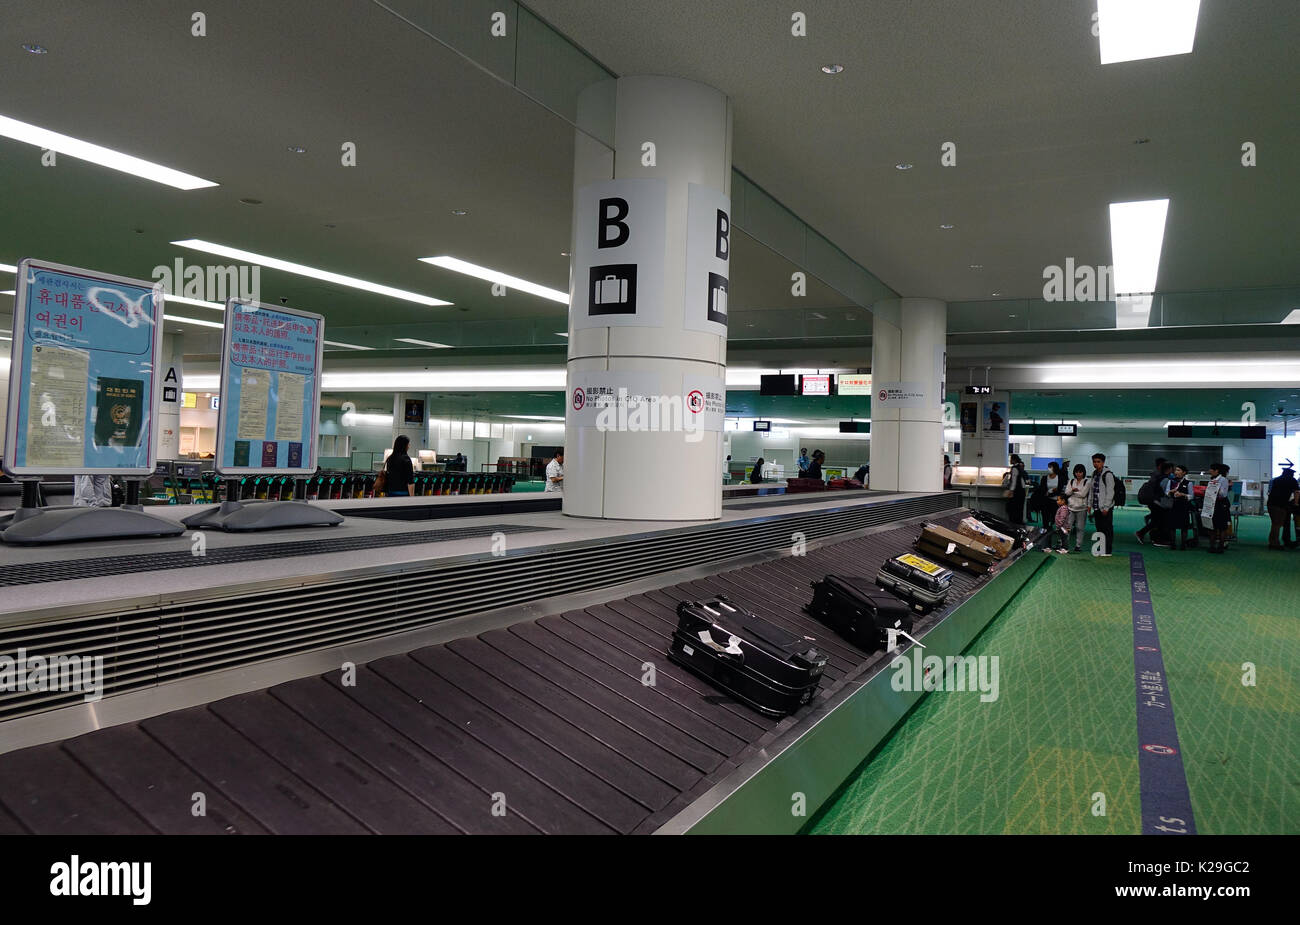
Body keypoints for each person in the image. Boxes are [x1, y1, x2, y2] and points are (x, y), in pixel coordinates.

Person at [1136, 458, 1172, 547]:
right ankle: (1151, 536)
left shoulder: (1155, 475)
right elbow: (1164, 492)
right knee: (1158, 520)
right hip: (1157, 502)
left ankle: (1152, 536)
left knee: (1157, 520)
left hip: (1154, 501)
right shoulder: (1162, 478)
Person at [1266, 459, 1299, 550]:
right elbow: (1296, 492)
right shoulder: (1292, 480)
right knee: (1277, 524)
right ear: (1291, 474)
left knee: (1274, 524)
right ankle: (1274, 544)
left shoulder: (1276, 480)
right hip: (1280, 505)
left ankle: (1272, 541)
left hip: (1271, 504)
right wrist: (1296, 503)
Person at [1090, 453, 1117, 556]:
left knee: (1107, 529)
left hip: (1106, 508)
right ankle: (1101, 549)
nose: (1096, 464)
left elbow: (1110, 492)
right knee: (1099, 529)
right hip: (1096, 507)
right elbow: (1092, 490)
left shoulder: (1108, 474)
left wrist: (1106, 507)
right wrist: (1090, 504)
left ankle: (1108, 550)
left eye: (1098, 462)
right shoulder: (1094, 474)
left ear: (1103, 462)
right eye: (1094, 461)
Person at [1203, 462, 1232, 554]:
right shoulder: (1212, 480)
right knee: (1212, 525)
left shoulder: (1223, 480)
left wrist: (1216, 487)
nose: (1209, 471)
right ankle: (1212, 546)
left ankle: (1221, 546)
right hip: (1212, 504)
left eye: (1211, 469)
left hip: (1221, 504)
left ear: (1216, 471)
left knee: (1222, 526)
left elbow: (1223, 494)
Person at [1166, 463, 1196, 550]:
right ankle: (1173, 544)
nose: (1176, 472)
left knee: (1184, 526)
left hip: (1183, 506)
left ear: (1184, 473)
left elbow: (1191, 496)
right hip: (1173, 506)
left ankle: (1183, 544)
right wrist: (1170, 491)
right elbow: (1166, 493)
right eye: (1176, 470)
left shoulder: (1188, 483)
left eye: (1178, 470)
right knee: (1172, 526)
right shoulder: (1171, 481)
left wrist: (1183, 494)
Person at [1062, 463, 1091, 553]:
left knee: (1080, 528)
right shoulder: (1071, 481)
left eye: (1080, 472)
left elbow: (1083, 494)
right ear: (1074, 472)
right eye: (1076, 472)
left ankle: (1078, 545)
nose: (1078, 474)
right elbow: (1066, 493)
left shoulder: (1087, 481)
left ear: (1083, 472)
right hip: (1070, 507)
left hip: (1082, 508)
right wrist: (1072, 490)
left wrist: (1072, 491)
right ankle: (1065, 545)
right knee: (1068, 527)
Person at [1030, 461, 1063, 527]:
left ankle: (1051, 524)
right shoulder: (1045, 478)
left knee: (1054, 515)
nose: (1048, 469)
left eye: (1050, 467)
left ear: (1055, 468)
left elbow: (1059, 489)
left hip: (1055, 500)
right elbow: (1042, 489)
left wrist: (1050, 492)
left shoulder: (1059, 478)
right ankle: (1045, 527)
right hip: (1045, 500)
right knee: (1045, 515)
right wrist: (1050, 491)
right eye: (1048, 467)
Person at [1005, 454, 1028, 524]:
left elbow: (1014, 481)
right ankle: (1019, 524)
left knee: (1013, 510)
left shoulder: (1014, 468)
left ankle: (1013, 524)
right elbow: (1022, 481)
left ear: (1014, 460)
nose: (1010, 461)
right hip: (1021, 491)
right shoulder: (1020, 467)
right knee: (1019, 509)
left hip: (1016, 492)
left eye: (1011, 459)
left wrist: (1011, 490)